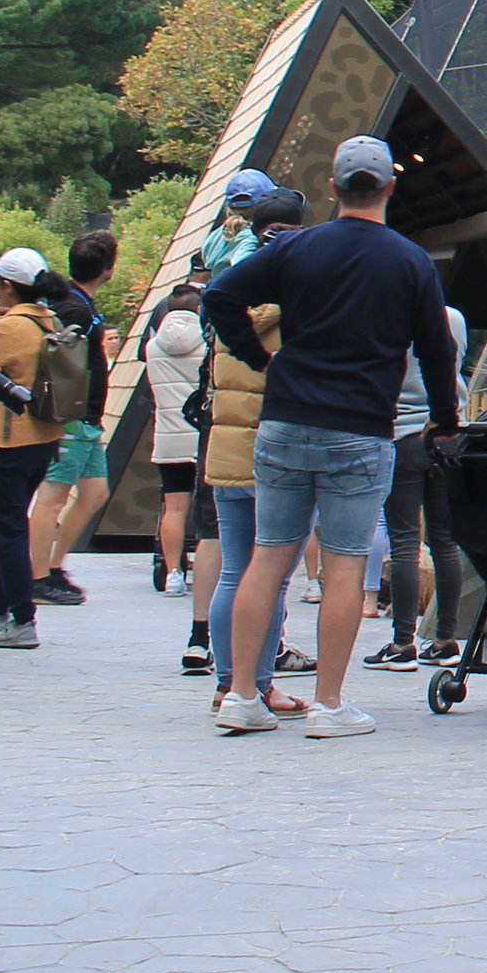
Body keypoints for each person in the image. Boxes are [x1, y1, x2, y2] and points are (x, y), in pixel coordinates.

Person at [202, 137, 458, 739]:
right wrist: (444, 418)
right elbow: (436, 351)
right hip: (362, 427)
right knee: (343, 565)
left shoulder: (297, 247)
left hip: (287, 418)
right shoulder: (409, 261)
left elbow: (220, 294)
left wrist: (262, 362)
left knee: (270, 557)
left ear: (333, 188)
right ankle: (329, 704)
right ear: (389, 187)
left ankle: (241, 694)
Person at [198, 185, 309, 710]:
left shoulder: (227, 296)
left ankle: (227, 682)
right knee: (273, 576)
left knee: (233, 571)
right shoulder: (295, 302)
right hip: (276, 451)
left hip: (226, 448)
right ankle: (260, 682)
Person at [0, 247, 77, 648]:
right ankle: (3, 612)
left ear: (8, 287)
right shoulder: (50, 320)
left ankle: (19, 617)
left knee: (7, 528)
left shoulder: (6, 329)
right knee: (11, 522)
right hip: (45, 437)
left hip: (9, 438)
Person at [363, 300, 468, 669]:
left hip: (402, 435)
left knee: (405, 540)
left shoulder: (389, 316)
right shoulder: (454, 318)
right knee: (445, 540)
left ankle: (402, 643)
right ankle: (445, 639)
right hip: (450, 439)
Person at [26, 229, 118, 606]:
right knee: (53, 496)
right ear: (107, 268)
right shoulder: (75, 308)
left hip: (86, 417)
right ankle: (37, 576)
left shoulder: (73, 301)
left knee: (95, 492)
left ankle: (53, 565)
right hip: (73, 416)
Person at [145, 260, 213, 667]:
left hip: (167, 434)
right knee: (206, 515)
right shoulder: (207, 344)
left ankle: (173, 574)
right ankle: (204, 573)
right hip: (200, 436)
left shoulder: (153, 346)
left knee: (174, 506)